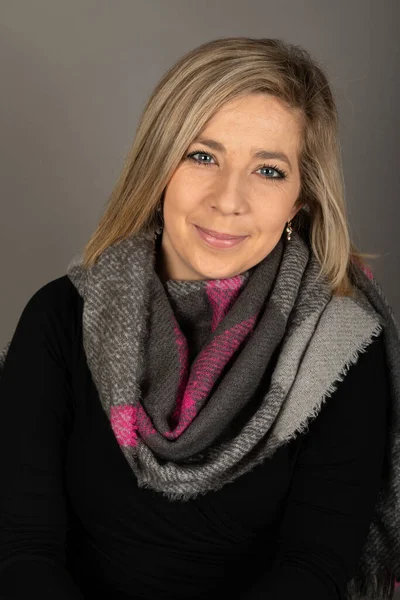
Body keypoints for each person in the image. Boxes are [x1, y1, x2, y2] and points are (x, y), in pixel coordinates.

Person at [0, 37, 399, 600]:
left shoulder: (338, 347)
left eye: (268, 169)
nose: (228, 199)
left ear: (300, 200)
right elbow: (22, 550)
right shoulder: (63, 317)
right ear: (159, 167)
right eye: (202, 156)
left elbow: (313, 567)